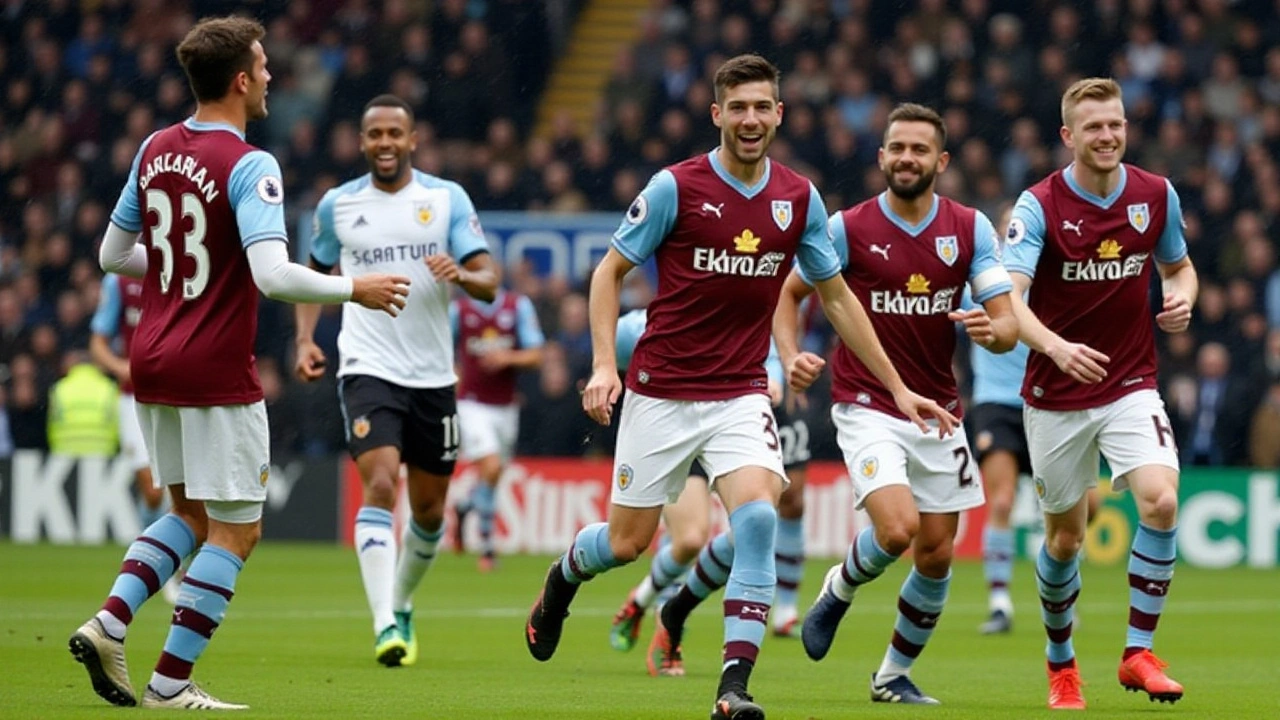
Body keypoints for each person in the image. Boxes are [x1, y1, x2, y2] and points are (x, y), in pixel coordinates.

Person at [523, 55, 955, 720]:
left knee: (757, 517)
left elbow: (836, 299)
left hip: (741, 393)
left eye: (763, 107)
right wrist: (606, 366)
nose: (751, 119)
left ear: (779, 115)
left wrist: (898, 388)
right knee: (626, 544)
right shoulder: (675, 188)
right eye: (739, 107)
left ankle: (733, 687)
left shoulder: (799, 199)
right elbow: (608, 274)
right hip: (661, 392)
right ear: (717, 114)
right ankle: (560, 581)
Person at [71, 17, 409, 710]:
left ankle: (110, 622)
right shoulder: (251, 164)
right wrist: (356, 288)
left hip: (152, 361)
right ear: (241, 80)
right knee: (238, 530)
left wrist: (173, 276)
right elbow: (274, 275)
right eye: (263, 65)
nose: (271, 77)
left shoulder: (154, 147)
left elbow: (111, 256)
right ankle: (169, 681)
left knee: (188, 514)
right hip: (213, 366)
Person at [778, 103, 1018, 705]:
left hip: (938, 410)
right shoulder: (846, 228)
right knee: (898, 528)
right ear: (881, 157)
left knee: (937, 554)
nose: (906, 158)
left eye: (919, 149)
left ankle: (890, 676)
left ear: (941, 161)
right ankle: (837, 588)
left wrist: (998, 330)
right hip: (866, 402)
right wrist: (788, 355)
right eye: (897, 148)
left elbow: (1005, 315)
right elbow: (789, 294)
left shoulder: (969, 229)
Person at [1002, 77, 1197, 710]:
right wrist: (1055, 347)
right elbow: (1010, 302)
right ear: (1069, 137)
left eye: (1114, 124)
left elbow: (1179, 266)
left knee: (1163, 501)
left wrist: (1183, 298)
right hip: (1056, 395)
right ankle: (1061, 661)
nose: (1107, 136)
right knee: (1065, 540)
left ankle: (1137, 654)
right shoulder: (1038, 207)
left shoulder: (1154, 195)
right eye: (1093, 127)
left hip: (1131, 384)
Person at [294, 94, 498, 668]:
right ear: (362, 143)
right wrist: (305, 338)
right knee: (381, 484)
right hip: (367, 367)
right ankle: (384, 622)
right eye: (375, 134)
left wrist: (462, 272)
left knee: (430, 512)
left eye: (395, 133)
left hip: (434, 376)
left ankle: (402, 600)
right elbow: (313, 273)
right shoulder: (338, 205)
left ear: (413, 140)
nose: (385, 142)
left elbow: (490, 278)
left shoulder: (445, 198)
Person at [90, 273, 186, 605]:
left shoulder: (180, 267)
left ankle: (159, 560)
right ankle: (157, 557)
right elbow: (98, 340)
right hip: (133, 397)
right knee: (152, 489)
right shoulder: (117, 282)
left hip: (176, 391)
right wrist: (119, 366)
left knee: (180, 485)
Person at [450, 287, 545, 571]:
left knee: (493, 474)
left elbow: (536, 355)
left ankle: (466, 506)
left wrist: (508, 358)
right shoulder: (460, 310)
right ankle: (488, 548)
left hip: (506, 406)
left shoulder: (518, 306)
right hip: (471, 403)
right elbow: (440, 349)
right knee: (490, 467)